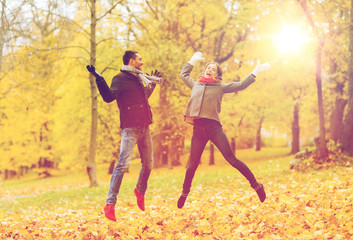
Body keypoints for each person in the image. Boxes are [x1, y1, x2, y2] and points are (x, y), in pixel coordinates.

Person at [177, 52, 270, 209]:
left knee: (232, 159)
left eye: (213, 69)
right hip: (198, 130)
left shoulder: (220, 87)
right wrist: (192, 61)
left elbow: (241, 85)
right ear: (204, 70)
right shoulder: (196, 85)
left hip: (214, 128)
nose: (210, 69)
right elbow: (183, 75)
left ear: (217, 75)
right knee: (192, 164)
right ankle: (185, 193)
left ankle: (256, 185)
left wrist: (256, 71)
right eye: (208, 67)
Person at [86, 50, 162, 221]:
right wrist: (99, 78)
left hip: (145, 127)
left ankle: (140, 190)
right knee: (122, 164)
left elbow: (143, 98)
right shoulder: (119, 79)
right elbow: (108, 97)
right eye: (140, 59)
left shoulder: (139, 78)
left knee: (149, 165)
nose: (142, 62)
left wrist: (153, 84)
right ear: (132, 61)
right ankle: (110, 204)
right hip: (130, 128)